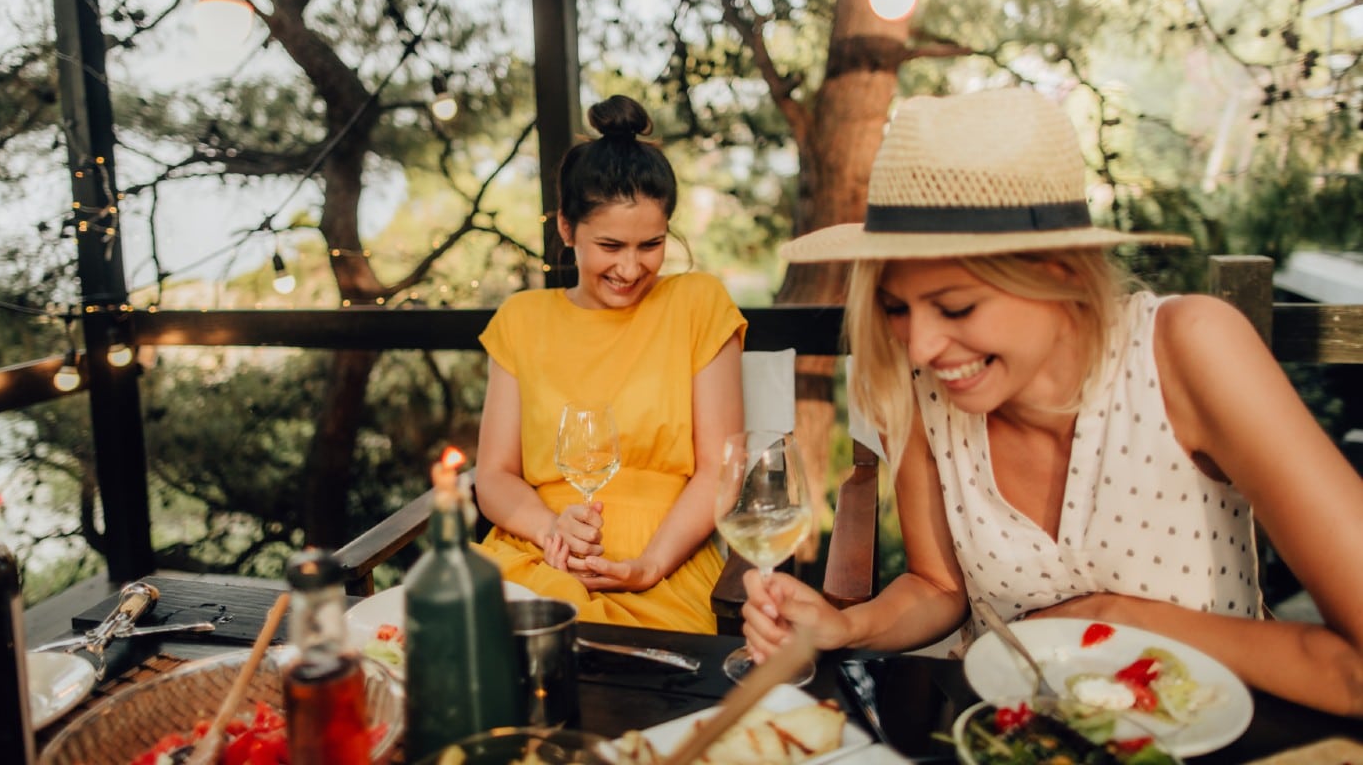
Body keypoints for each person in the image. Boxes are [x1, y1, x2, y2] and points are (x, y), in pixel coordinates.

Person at [741, 88, 1363, 717]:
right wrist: (848, 629)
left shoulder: (1188, 350)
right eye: (898, 308)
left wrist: (1111, 616)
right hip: (1010, 738)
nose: (922, 346)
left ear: (1060, 271)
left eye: (957, 307)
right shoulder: (925, 387)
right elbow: (937, 586)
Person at [473, 94, 746, 634]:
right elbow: (494, 476)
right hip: (537, 550)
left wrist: (650, 565)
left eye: (651, 244)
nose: (630, 267)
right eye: (610, 244)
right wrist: (552, 528)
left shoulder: (698, 304)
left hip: (667, 560)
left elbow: (721, 471)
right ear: (567, 229)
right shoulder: (521, 319)